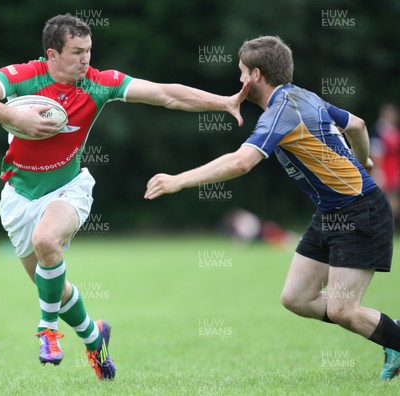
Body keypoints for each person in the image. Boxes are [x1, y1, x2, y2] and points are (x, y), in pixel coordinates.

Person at [0, 13, 247, 380]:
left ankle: (47, 331)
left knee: (47, 242)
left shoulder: (99, 83)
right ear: (52, 54)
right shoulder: (23, 77)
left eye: (89, 50)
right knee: (53, 289)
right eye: (76, 52)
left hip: (69, 189)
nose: (86, 59)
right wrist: (12, 116)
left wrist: (224, 102)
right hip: (18, 197)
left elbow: (166, 94)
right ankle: (95, 339)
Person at [144, 36, 399, 381]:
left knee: (342, 310)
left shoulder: (280, 111)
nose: (238, 81)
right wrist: (364, 158)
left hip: (359, 211)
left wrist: (179, 180)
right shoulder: (304, 96)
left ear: (256, 75)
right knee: (297, 297)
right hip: (330, 213)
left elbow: (241, 163)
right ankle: (389, 331)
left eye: (241, 73)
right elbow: (357, 124)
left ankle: (394, 339)